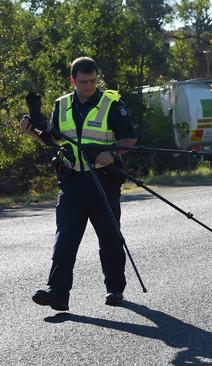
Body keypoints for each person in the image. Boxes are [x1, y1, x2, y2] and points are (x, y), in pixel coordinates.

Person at [19, 57, 137, 311]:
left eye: (93, 81)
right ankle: (58, 293)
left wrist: (113, 155)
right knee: (65, 238)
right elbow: (53, 140)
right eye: (83, 82)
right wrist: (32, 132)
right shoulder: (61, 105)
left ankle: (115, 288)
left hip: (104, 181)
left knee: (110, 238)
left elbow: (129, 138)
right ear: (73, 80)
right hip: (72, 182)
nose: (89, 86)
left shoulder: (111, 103)